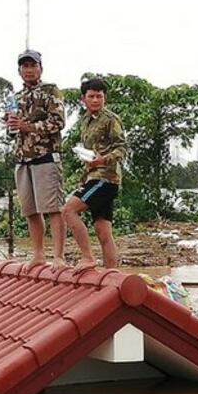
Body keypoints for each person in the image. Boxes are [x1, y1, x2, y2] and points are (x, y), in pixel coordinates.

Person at [6, 49, 67, 272]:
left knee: (53, 208)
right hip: (22, 158)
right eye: (25, 66)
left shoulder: (51, 91)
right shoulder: (14, 98)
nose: (29, 70)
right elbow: (11, 131)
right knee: (30, 210)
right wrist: (12, 126)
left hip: (46, 156)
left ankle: (59, 256)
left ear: (40, 68)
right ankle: (38, 255)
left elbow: (58, 122)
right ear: (19, 70)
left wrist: (28, 126)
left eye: (33, 65)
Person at [62, 78, 128, 273]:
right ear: (84, 99)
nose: (96, 100)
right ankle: (111, 274)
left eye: (99, 96)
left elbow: (122, 148)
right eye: (91, 96)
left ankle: (87, 257)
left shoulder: (110, 119)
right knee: (102, 230)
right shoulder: (85, 122)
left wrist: (102, 160)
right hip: (93, 177)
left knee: (68, 210)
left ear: (104, 97)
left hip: (105, 178)